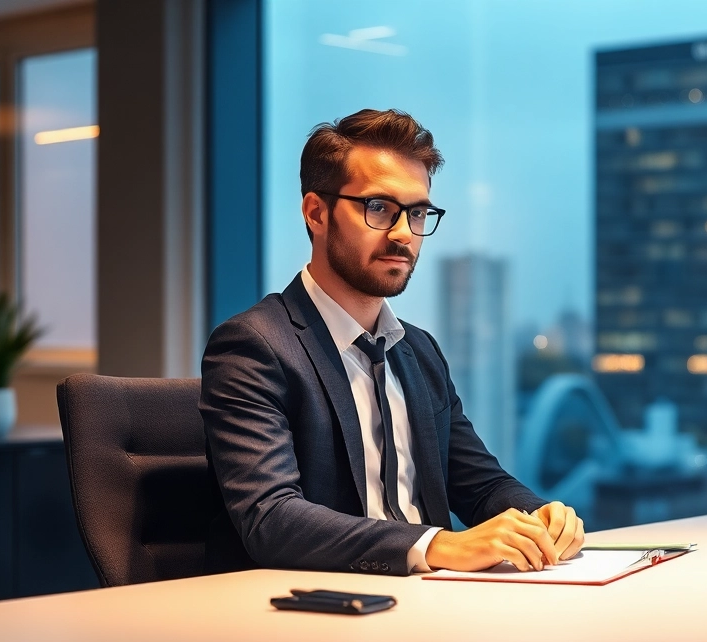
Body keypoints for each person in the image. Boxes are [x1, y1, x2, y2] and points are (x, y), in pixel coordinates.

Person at [200, 108, 584, 576]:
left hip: (432, 608)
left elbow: (481, 486)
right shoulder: (255, 345)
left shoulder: (418, 352)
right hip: (321, 618)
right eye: (379, 208)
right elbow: (272, 517)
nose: (404, 233)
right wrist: (435, 546)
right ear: (316, 213)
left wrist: (539, 517)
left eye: (418, 212)